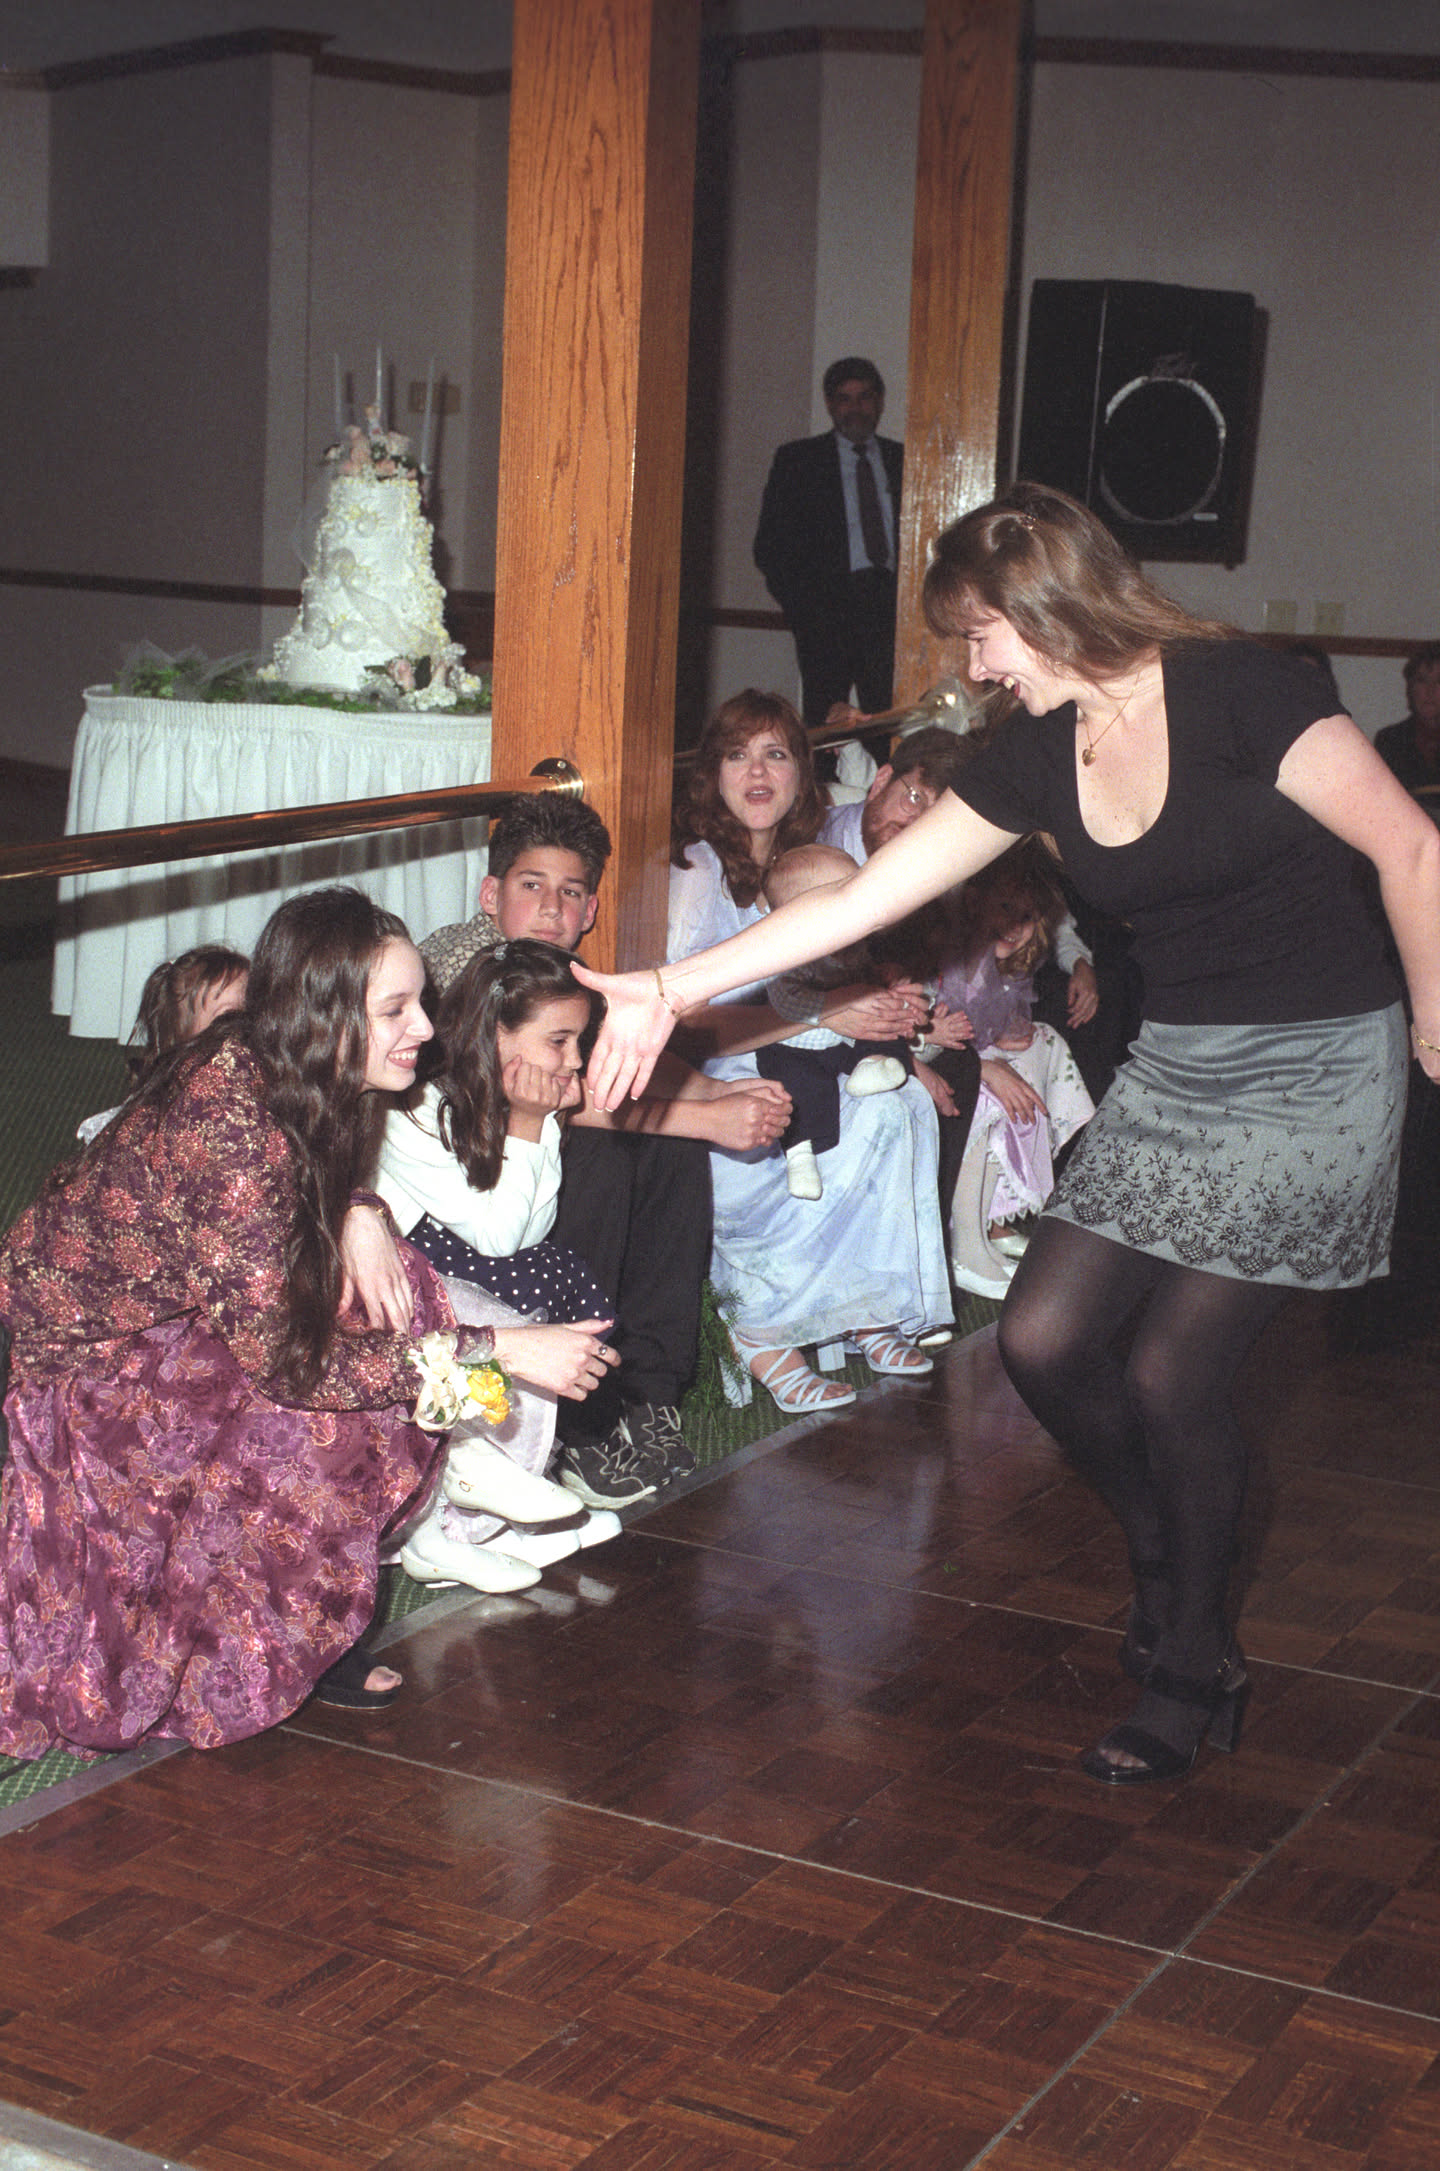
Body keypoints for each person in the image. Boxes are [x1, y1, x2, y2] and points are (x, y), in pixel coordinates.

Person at [579, 484, 1440, 1790]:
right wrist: (668, 986)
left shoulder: (1243, 692)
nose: (976, 666)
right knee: (1042, 1337)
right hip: (1180, 1067)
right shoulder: (1037, 753)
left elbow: (1414, 851)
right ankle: (1173, 1550)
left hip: (1318, 1062)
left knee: (1175, 1374)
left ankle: (1190, 1657)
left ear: (1047, 605)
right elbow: (866, 896)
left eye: (981, 634)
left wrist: (1432, 1023)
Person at [0, 888, 612, 1758]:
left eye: (420, 1002)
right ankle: (308, 1606)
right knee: (325, 1403)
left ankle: (429, 1499)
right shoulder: (224, 1120)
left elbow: (300, 1173)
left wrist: (360, 1205)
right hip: (84, 1358)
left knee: (396, 1289)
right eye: (395, 1009)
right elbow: (291, 1365)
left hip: (191, 1306)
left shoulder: (294, 1058)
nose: (425, 1029)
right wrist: (502, 1352)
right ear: (323, 1014)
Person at [420, 794, 790, 1503]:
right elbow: (540, 1092)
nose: (551, 908)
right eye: (532, 886)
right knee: (610, 1150)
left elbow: (620, 1061)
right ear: (491, 894)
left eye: (571, 892)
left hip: (525, 1158)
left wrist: (719, 1096)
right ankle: (577, 1425)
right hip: (461, 1190)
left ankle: (647, 1393)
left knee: (666, 1148)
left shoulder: (561, 971)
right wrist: (707, 1119)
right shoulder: (468, 960)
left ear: (590, 909)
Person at [666, 689, 951, 1411]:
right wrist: (823, 1013)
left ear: (801, 771)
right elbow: (685, 1027)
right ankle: (761, 1330)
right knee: (784, 1120)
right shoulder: (696, 872)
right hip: (713, 1073)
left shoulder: (817, 863)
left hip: (813, 1056)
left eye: (776, 754)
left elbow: (844, 986)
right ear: (714, 773)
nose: (758, 773)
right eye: (738, 755)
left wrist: (882, 1025)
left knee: (896, 1108)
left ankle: (868, 1306)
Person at [373, 939, 627, 1587]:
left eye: (579, 1042)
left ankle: (500, 1514)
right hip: (403, 1288)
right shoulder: (416, 1110)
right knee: (513, 1297)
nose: (575, 1060)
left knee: (548, 1276)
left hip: (462, 1271)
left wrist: (540, 1128)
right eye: (559, 1041)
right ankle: (451, 1521)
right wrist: (531, 1124)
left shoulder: (499, 1103)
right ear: (495, 1036)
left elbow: (532, 1229)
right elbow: (496, 1237)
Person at [939, 846, 1094, 1298]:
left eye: (1026, 917)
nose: (1014, 925)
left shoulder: (1003, 963)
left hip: (966, 1055)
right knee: (995, 1092)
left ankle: (992, 1218)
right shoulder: (951, 958)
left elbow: (995, 1021)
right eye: (1004, 907)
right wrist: (984, 1064)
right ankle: (966, 1248)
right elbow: (929, 1035)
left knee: (1042, 1045)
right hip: (933, 1062)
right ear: (974, 902)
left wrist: (1004, 1040)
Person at [754, 844, 915, 1201]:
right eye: (842, 896)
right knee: (798, 1087)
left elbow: (864, 980)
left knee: (883, 1029)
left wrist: (886, 988)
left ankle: (874, 1066)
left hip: (843, 1041)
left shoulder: (851, 945)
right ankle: (800, 1154)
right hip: (794, 1046)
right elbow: (785, 1002)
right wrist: (834, 1006)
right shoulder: (785, 953)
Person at [754, 357, 903, 727]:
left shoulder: (902, 460)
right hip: (826, 614)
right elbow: (769, 546)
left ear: (879, 401)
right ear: (830, 404)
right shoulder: (799, 461)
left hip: (889, 611)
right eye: (844, 399)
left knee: (888, 721)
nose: (855, 408)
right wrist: (804, 610)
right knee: (823, 725)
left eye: (864, 397)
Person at [76, 943, 251, 1147]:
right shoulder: (183, 1105)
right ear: (185, 1044)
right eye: (227, 1018)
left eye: (252, 1008)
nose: (248, 1023)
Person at [1375, 641, 1440, 794]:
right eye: (1422, 681)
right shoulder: (1390, 740)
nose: (1430, 691)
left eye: (1439, 682)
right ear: (1410, 688)